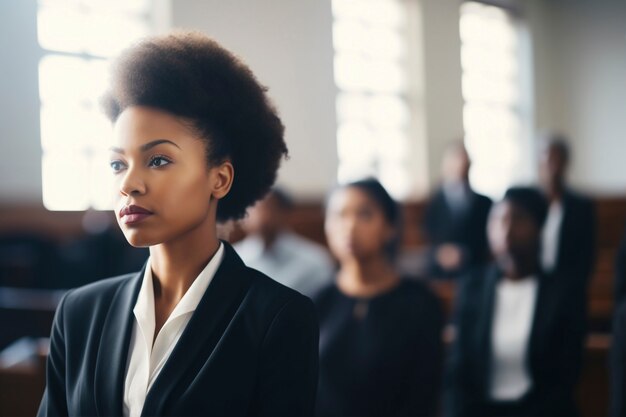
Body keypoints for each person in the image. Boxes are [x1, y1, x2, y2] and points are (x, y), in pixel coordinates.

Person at [37, 32, 319, 417]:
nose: (129, 184)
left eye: (158, 160)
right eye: (118, 164)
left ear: (219, 179)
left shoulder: (278, 319)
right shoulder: (79, 313)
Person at [445, 187, 586, 417]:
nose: (506, 229)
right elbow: (459, 373)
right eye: (499, 219)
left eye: (518, 219)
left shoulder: (564, 293)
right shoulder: (473, 288)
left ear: (539, 227)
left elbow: (565, 378)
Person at [314, 178, 444, 417]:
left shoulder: (420, 303)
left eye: (364, 214)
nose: (350, 227)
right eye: (339, 216)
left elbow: (425, 395)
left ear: (390, 227)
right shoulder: (314, 304)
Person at [234, 188, 334, 298]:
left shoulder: (315, 259)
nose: (261, 215)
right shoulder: (231, 258)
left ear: (285, 213)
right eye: (253, 208)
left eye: (268, 208)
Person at [422, 142, 492, 278]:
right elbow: (429, 235)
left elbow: (486, 240)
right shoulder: (434, 202)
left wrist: (465, 254)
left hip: (474, 268)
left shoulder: (484, 203)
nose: (460, 167)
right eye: (455, 162)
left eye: (463, 163)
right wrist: (441, 253)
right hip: (441, 270)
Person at [538, 134, 596, 296]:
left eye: (557, 160)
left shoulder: (581, 206)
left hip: (569, 289)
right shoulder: (531, 204)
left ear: (566, 163)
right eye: (548, 160)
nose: (553, 167)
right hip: (537, 286)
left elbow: (586, 256)